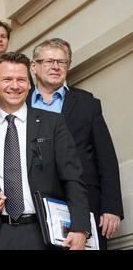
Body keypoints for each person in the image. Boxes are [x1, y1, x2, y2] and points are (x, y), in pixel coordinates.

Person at [0, 52, 90, 250]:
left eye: (21, 80)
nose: (15, 86)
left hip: (45, 232)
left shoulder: (53, 124)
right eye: (7, 79)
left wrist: (80, 228)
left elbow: (73, 179)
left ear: (29, 84)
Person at [28, 38, 123, 250]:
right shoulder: (21, 104)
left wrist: (112, 207)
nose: (55, 66)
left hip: (85, 204)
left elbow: (106, 158)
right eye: (48, 61)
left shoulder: (87, 103)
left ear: (67, 66)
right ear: (33, 66)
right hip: (35, 208)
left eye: (61, 62)